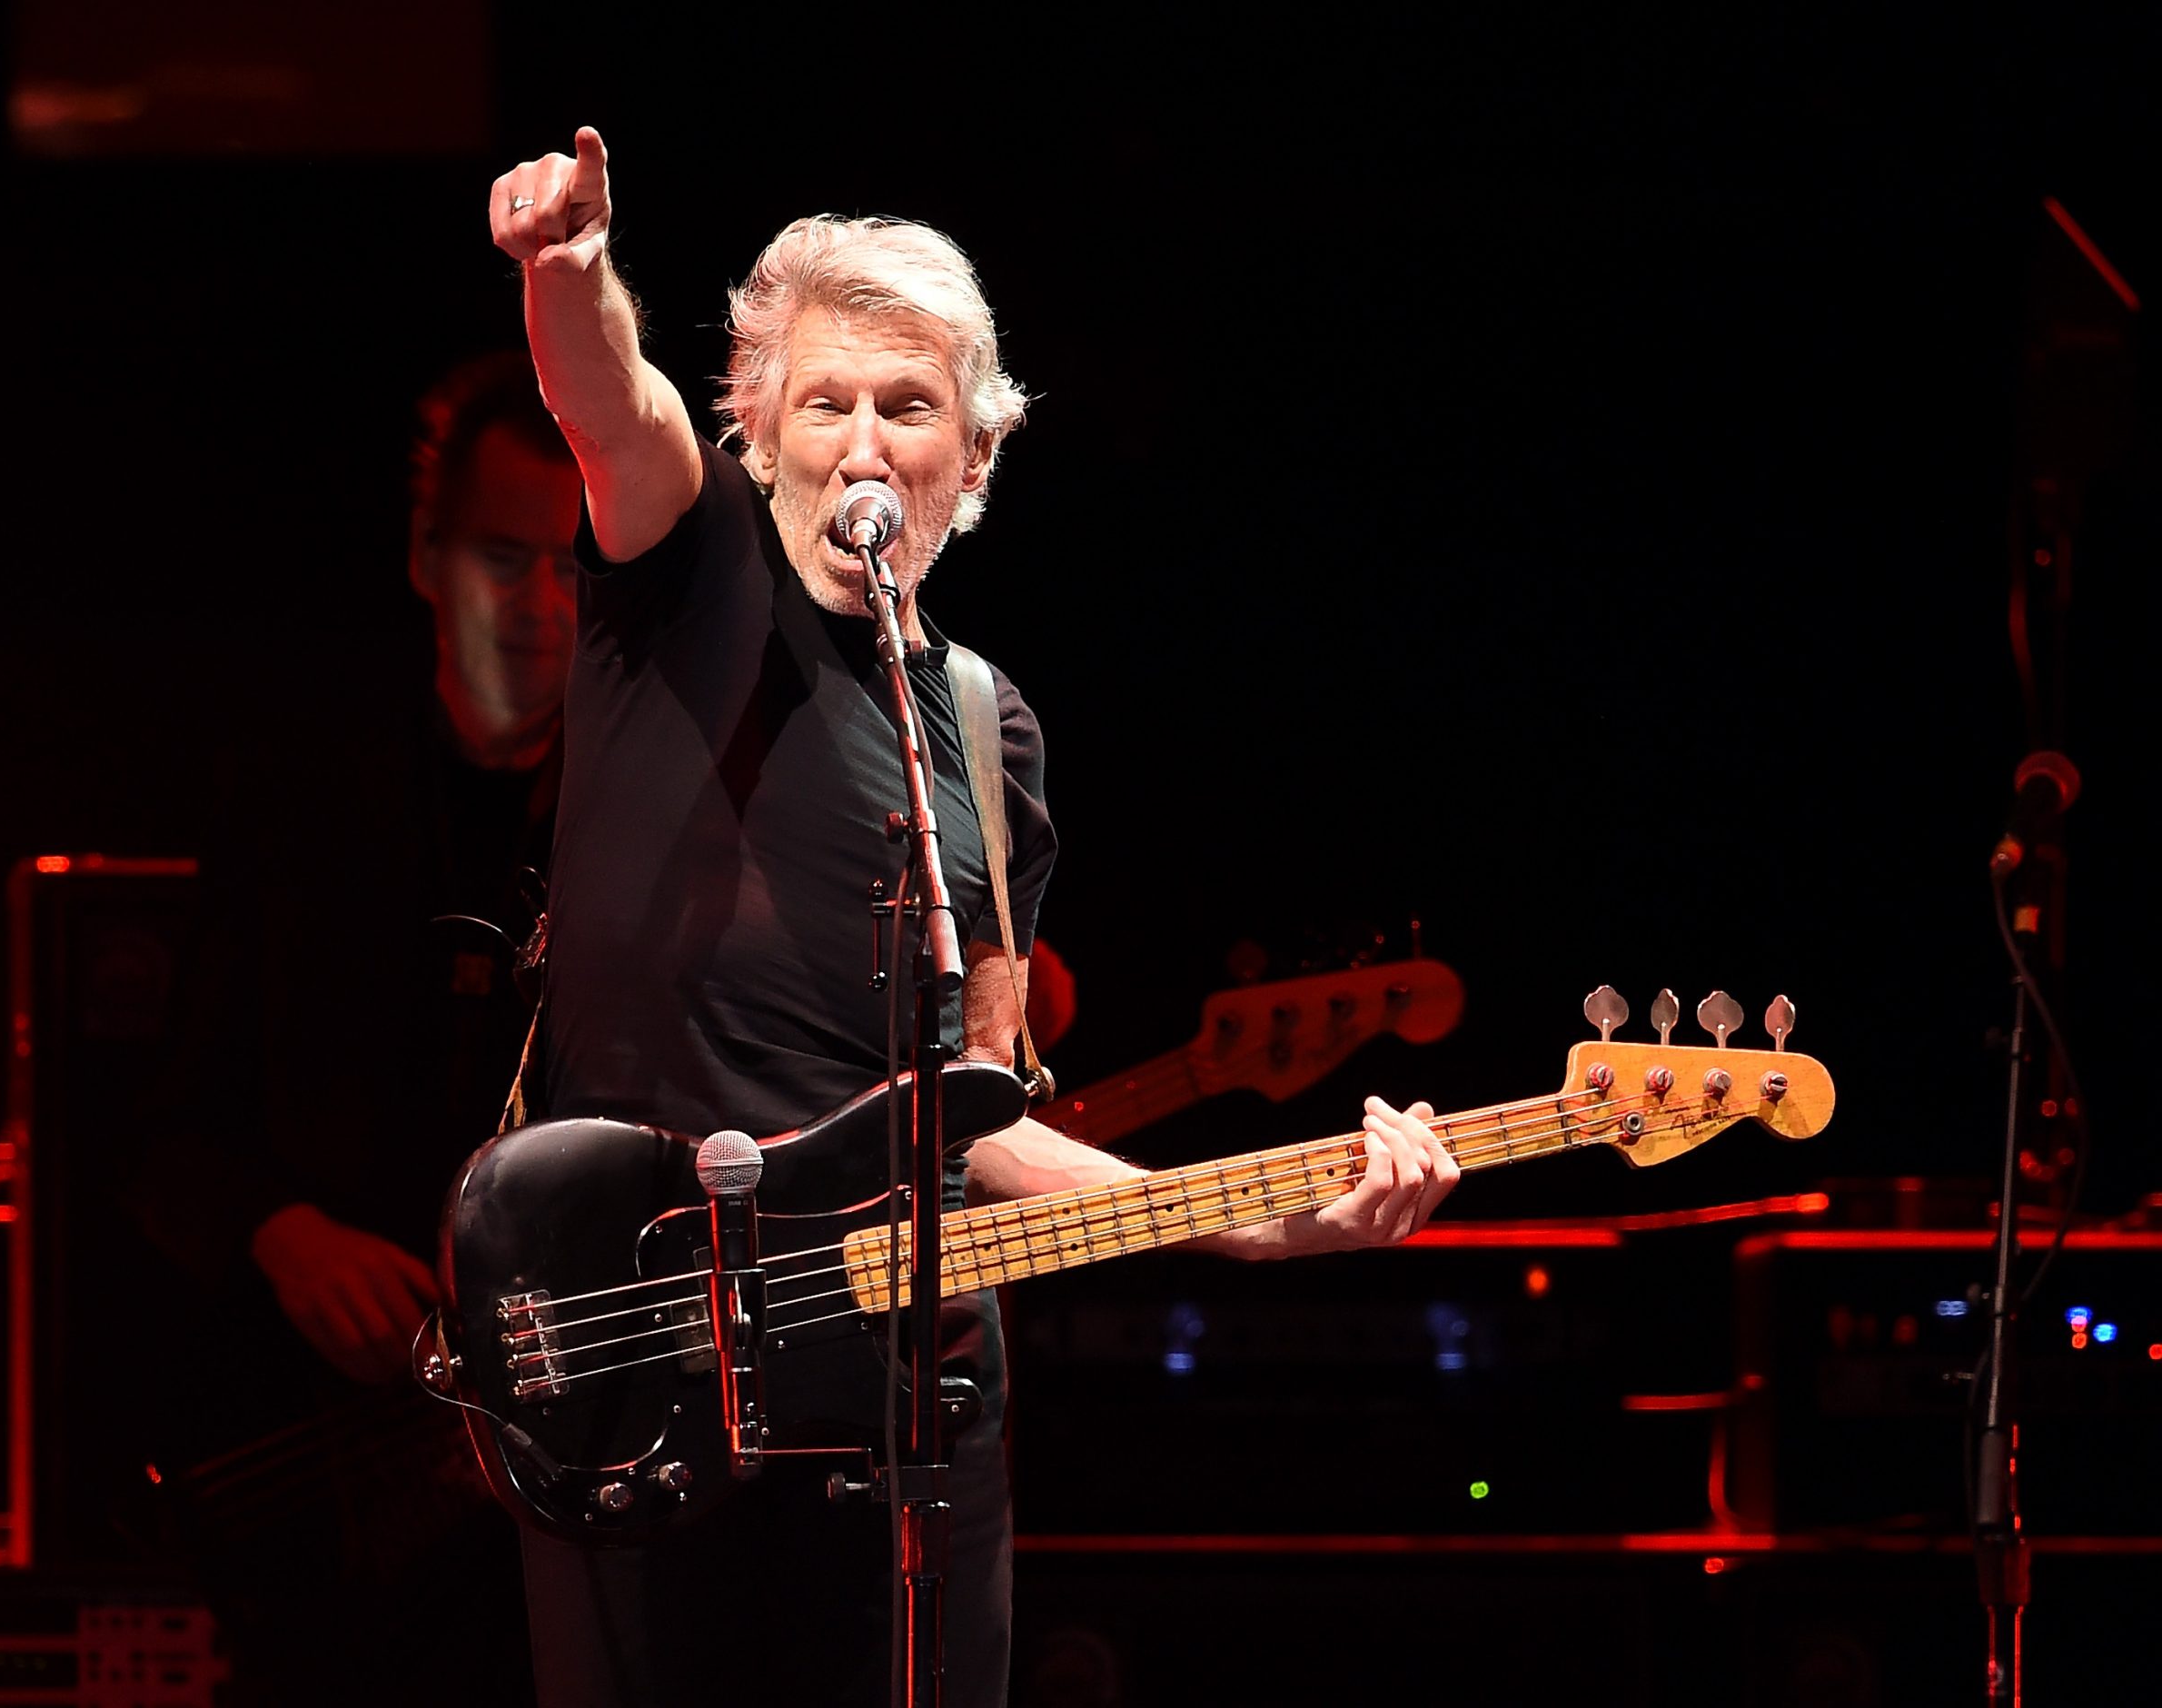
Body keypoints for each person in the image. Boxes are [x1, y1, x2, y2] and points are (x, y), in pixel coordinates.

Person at [491, 127, 1461, 1708]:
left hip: (909, 1399)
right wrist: (570, 269)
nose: (864, 444)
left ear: (975, 461)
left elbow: (978, 1119)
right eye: (825, 404)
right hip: (647, 1367)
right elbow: (613, 407)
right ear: (760, 434)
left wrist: (1266, 1215)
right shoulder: (690, 572)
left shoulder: (983, 726)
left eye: (909, 407)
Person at [133, 353, 579, 1704]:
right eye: (504, 558)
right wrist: (287, 1236)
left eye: (574, 568)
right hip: (335, 1497)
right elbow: (168, 1133)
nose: (543, 606)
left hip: (559, 1491)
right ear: (424, 559)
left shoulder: (644, 823)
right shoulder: (300, 805)